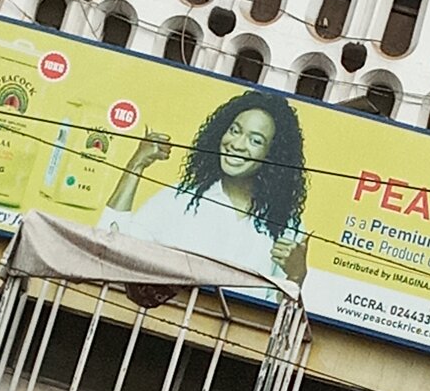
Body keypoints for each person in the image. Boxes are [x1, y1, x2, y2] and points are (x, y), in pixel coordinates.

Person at [99, 90, 309, 285]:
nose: (237, 144)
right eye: (234, 130)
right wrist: (136, 165)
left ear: (273, 155)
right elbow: (111, 248)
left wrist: (297, 275)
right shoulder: (180, 199)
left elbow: (280, 305)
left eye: (255, 140)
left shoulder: (287, 225)